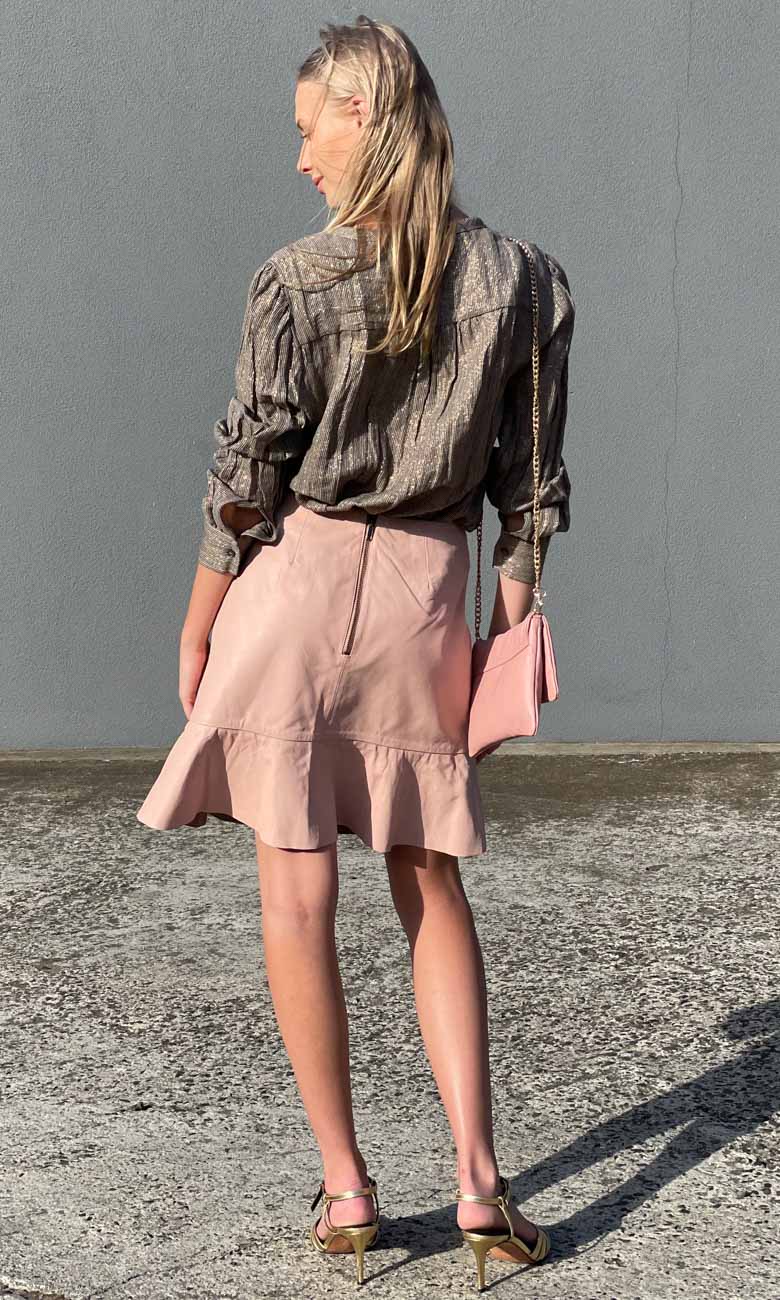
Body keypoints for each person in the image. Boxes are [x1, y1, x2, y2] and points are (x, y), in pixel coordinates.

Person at [136, 14, 574, 1290]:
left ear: (365, 113)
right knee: (430, 881)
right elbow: (529, 494)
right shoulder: (528, 284)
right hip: (426, 604)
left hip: (294, 589)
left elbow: (247, 476)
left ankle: (346, 1190)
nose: (300, 157)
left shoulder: (296, 280)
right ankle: (481, 1185)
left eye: (308, 126)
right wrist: (503, 633)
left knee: (295, 893)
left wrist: (199, 615)